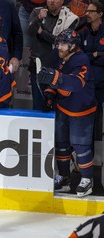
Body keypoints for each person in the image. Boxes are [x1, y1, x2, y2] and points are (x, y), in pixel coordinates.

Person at [37, 28, 97, 197]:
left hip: (81, 109)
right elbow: (56, 77)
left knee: (80, 145)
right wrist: (50, 93)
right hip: (63, 106)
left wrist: (55, 78)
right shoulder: (60, 56)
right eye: (59, 43)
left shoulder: (82, 59)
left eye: (63, 44)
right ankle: (64, 178)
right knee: (61, 143)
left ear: (73, 46)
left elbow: (76, 83)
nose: (59, 47)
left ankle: (87, 179)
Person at [28, 0, 78, 110]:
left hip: (60, 69)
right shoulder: (37, 12)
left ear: (62, 1)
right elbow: (30, 32)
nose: (52, 1)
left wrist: (42, 33)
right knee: (38, 106)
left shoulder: (69, 18)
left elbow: (62, 42)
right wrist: (39, 19)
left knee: (59, 108)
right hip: (38, 67)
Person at [79, 0, 104, 144]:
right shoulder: (83, 31)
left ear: (100, 14)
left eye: (91, 12)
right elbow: (80, 57)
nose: (87, 14)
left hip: (101, 84)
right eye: (87, 11)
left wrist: (93, 56)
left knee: (97, 118)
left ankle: (97, 155)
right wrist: (95, 55)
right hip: (86, 83)